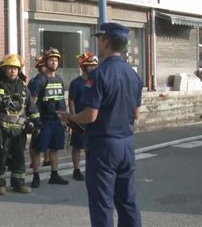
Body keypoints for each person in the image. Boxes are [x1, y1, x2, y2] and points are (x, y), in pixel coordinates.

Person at [61, 22, 142, 227]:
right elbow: (136, 113)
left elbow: (91, 115)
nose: (97, 42)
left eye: (99, 38)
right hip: (127, 142)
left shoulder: (99, 73)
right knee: (127, 200)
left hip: (104, 146)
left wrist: (70, 118)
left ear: (106, 41)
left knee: (102, 203)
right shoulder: (133, 74)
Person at [0, 54, 41, 195]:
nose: (13, 71)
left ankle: (18, 183)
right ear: (4, 69)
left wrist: (36, 123)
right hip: (2, 129)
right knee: (0, 157)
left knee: (19, 157)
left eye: (15, 68)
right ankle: (0, 185)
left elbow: (31, 107)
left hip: (19, 130)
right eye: (10, 68)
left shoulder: (23, 87)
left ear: (19, 71)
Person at [29, 48, 70, 188]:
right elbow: (32, 102)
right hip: (43, 121)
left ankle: (54, 175)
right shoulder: (38, 80)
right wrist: (33, 120)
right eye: (51, 59)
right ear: (46, 62)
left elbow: (61, 100)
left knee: (55, 149)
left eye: (56, 60)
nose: (54, 62)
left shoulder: (59, 79)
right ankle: (35, 176)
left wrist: (65, 118)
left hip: (57, 121)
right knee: (37, 150)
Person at [68, 52, 98, 181]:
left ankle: (91, 168)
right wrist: (73, 118)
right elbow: (71, 100)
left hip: (92, 118)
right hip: (79, 118)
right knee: (77, 146)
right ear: (83, 67)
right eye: (90, 66)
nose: (93, 68)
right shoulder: (76, 83)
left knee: (91, 145)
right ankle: (76, 169)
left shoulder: (96, 81)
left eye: (94, 66)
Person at [28, 56, 50, 168]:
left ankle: (47, 159)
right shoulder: (36, 81)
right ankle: (34, 162)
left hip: (47, 114)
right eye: (43, 66)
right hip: (38, 115)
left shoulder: (50, 79)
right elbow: (33, 100)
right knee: (35, 140)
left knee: (46, 139)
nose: (45, 68)